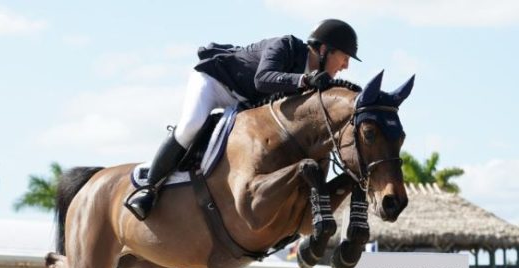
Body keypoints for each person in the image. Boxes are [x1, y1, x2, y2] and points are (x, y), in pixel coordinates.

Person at [125, 19, 361, 220]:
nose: (346, 65)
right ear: (323, 50)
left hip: (244, 105)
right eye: (344, 57)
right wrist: (304, 81)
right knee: (191, 126)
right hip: (215, 83)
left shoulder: (315, 79)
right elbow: (263, 79)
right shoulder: (285, 46)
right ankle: (148, 189)